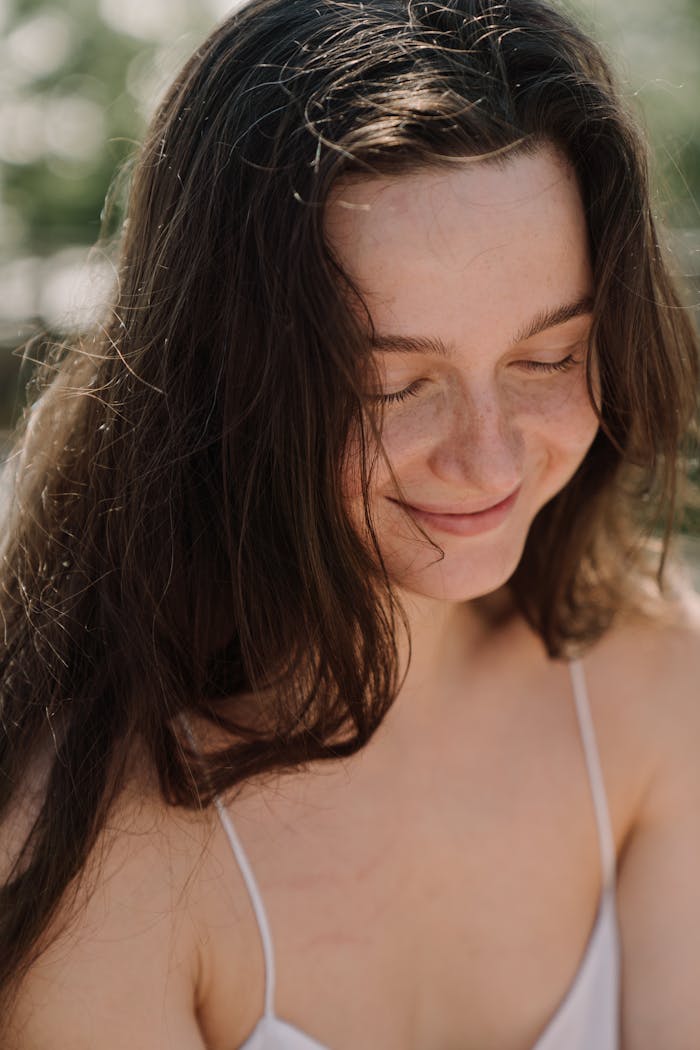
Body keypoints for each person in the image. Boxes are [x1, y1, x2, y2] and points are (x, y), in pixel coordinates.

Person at [1, 0, 699, 1047]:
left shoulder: (653, 690)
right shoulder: (97, 852)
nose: (489, 456)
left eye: (548, 359)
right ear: (223, 382)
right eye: (391, 386)